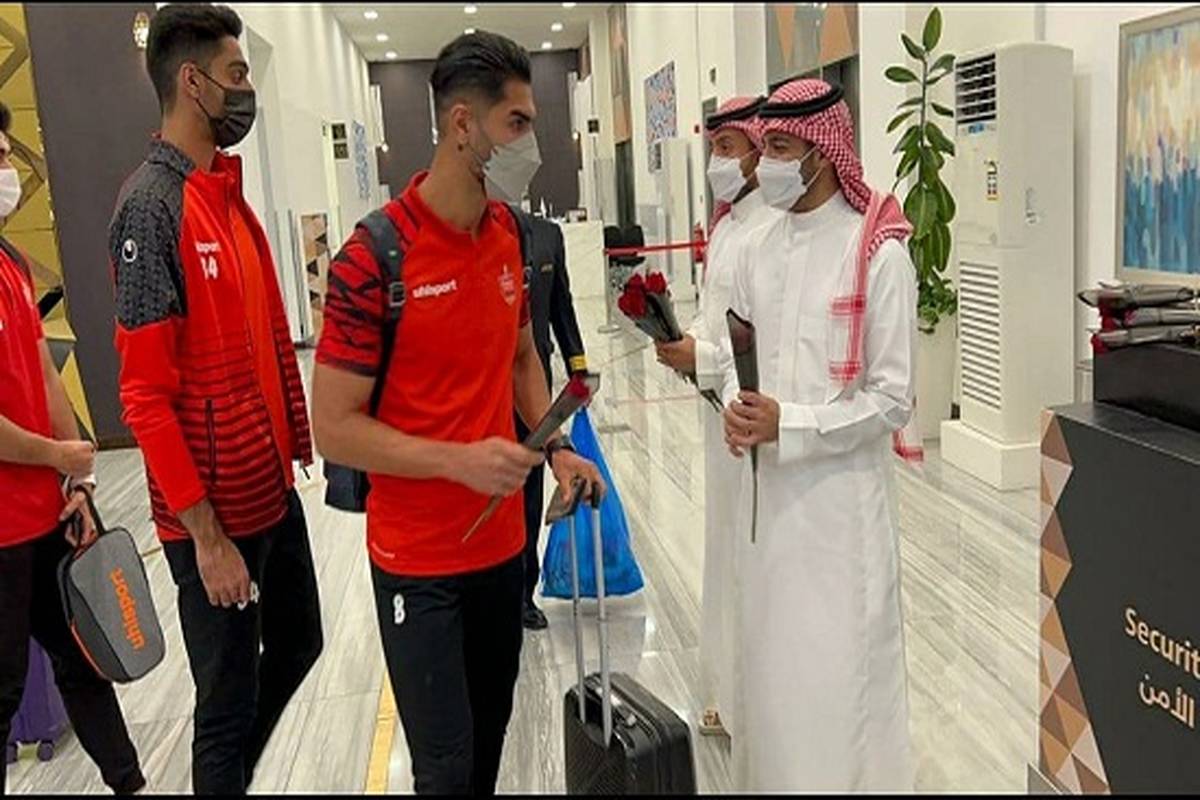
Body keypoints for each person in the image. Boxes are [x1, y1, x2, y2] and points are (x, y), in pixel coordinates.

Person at [312, 31, 604, 795]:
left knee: (490, 740)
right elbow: (332, 426)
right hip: (417, 562)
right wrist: (458, 459)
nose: (531, 143)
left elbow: (521, 358)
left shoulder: (507, 237)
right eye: (517, 123)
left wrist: (557, 448)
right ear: (462, 124)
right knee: (443, 770)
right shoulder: (372, 258)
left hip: (502, 552)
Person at [109, 5, 322, 794]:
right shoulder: (151, 206)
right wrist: (204, 536)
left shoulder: (225, 197)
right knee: (224, 706)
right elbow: (143, 395)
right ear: (192, 83)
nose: (246, 90)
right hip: (212, 518)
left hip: (267, 488)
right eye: (236, 75)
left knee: (300, 642)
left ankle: (228, 778)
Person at [719, 78, 922, 792]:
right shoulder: (755, 248)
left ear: (823, 153)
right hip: (768, 504)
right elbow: (735, 353)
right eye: (766, 146)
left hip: (840, 511)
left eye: (780, 147)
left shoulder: (877, 253)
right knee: (773, 671)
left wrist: (794, 423)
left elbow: (892, 398)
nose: (766, 163)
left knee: (840, 679)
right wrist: (736, 406)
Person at [0, 101, 146, 796]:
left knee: (85, 661)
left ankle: (131, 785)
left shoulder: (11, 264)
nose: (9, 167)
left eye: (7, 152)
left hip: (46, 516)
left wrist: (77, 476)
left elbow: (43, 375)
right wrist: (55, 458)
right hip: (2, 532)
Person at [654, 95, 778, 739]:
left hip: (758, 413)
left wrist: (698, 355)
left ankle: (755, 700)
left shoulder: (772, 229)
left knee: (754, 552)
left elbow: (762, 338)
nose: (717, 163)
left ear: (758, 152)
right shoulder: (730, 226)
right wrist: (687, 345)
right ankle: (729, 695)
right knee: (725, 548)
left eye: (727, 148)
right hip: (718, 410)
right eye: (714, 149)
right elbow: (716, 320)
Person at [506, 204, 588, 631]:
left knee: (530, 491)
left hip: (533, 384)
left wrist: (579, 368)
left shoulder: (547, 236)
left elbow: (562, 308)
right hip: (483, 393)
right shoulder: (468, 233)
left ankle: (524, 591)